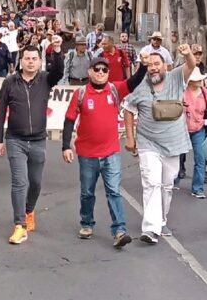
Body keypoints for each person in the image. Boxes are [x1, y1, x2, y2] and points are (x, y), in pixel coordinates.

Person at [61, 54, 148, 248]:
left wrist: (143, 66)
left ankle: (119, 230)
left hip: (111, 152)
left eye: (104, 70)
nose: (101, 73)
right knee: (87, 192)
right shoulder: (81, 93)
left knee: (114, 191)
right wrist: (66, 146)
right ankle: (86, 222)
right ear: (89, 72)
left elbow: (133, 82)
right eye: (97, 69)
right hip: (87, 154)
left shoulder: (115, 90)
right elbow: (69, 120)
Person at [123, 45, 196, 244]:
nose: (154, 68)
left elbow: (191, 64)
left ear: (165, 66)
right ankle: (150, 229)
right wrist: (131, 138)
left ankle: (161, 219)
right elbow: (128, 109)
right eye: (150, 65)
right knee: (151, 183)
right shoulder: (140, 86)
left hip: (173, 143)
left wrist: (187, 53)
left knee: (166, 185)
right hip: (148, 142)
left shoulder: (176, 78)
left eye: (157, 64)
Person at [0, 41, 64, 245]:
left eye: (34, 59)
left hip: (38, 140)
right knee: (19, 182)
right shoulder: (9, 82)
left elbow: (58, 71)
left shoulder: (45, 80)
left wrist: (57, 51)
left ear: (40, 62)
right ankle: (19, 225)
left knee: (36, 182)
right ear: (20, 61)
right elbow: (0, 110)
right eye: (27, 59)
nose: (31, 62)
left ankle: (29, 210)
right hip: (15, 139)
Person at [179, 68, 207, 199]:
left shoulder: (204, 92)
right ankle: (174, 180)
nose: (199, 81)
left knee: (200, 158)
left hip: (199, 129)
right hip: (182, 129)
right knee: (177, 157)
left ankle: (197, 188)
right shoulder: (181, 91)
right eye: (197, 79)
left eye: (200, 78)